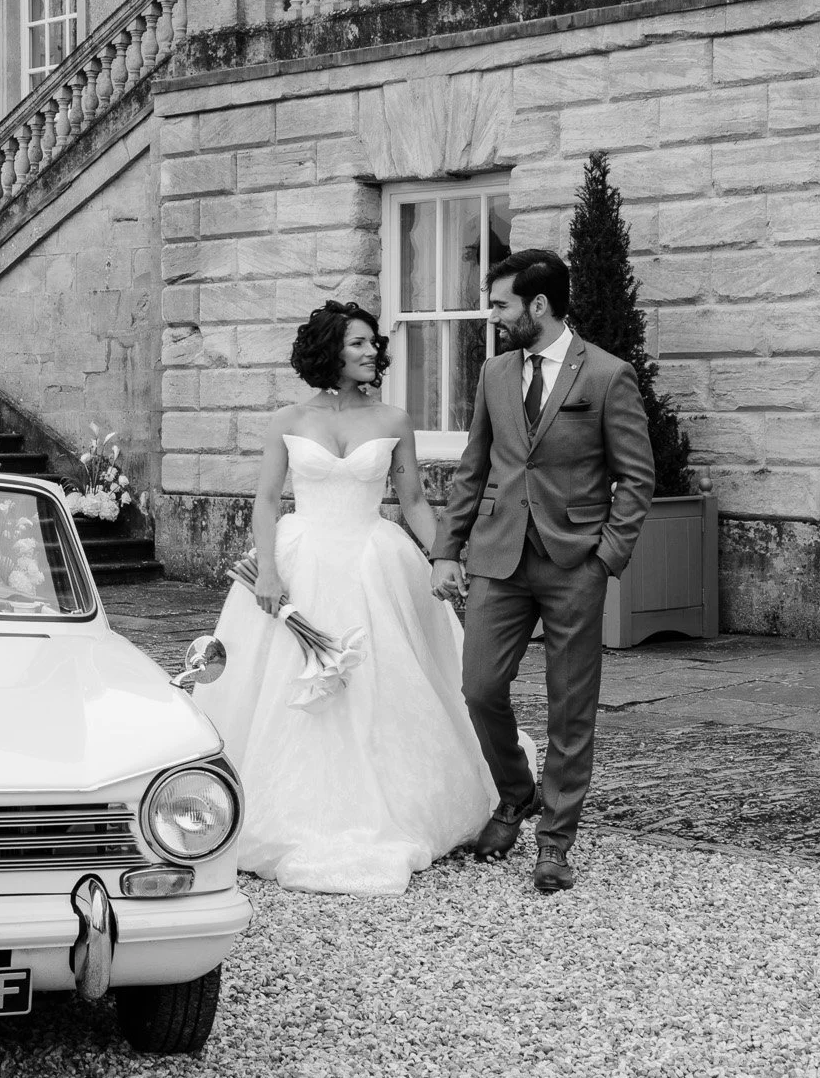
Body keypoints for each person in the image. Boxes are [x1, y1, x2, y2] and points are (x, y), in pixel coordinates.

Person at [193, 301, 497, 895]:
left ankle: (395, 804)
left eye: (371, 343)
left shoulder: (394, 418)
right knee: (285, 687)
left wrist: (443, 558)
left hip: (372, 562)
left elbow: (412, 501)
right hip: (299, 561)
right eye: (357, 343)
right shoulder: (287, 417)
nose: (370, 352)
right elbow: (265, 500)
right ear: (330, 348)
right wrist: (270, 573)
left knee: (386, 679)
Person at [430, 248, 654, 895]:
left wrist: (605, 559)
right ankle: (516, 791)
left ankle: (554, 839)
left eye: (500, 304)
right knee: (478, 686)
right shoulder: (495, 373)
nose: (492, 316)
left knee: (570, 707)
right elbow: (474, 467)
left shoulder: (609, 376)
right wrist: (449, 548)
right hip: (499, 557)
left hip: (573, 561)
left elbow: (637, 480)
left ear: (537, 305)